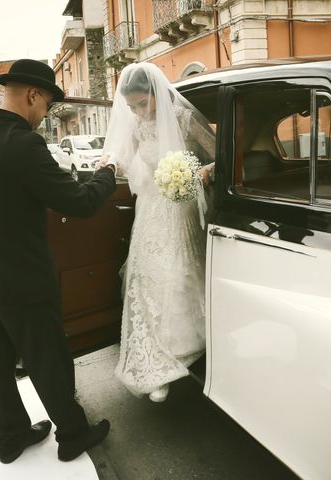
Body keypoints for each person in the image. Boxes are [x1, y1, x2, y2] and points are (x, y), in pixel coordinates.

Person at [0, 59, 115, 463]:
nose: (44, 115)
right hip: (23, 273)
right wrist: (106, 174)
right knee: (47, 356)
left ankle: (11, 436)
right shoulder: (23, 143)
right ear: (33, 95)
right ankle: (72, 434)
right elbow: (79, 201)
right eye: (46, 106)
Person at [102, 62, 215, 402]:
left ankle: (187, 345)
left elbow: (220, 153)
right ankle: (152, 353)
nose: (137, 112)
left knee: (178, 274)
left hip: (181, 205)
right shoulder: (137, 127)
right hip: (150, 207)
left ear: (156, 94)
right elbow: (126, 160)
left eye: (141, 103)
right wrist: (108, 164)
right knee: (145, 277)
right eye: (132, 106)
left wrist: (205, 172)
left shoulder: (184, 118)